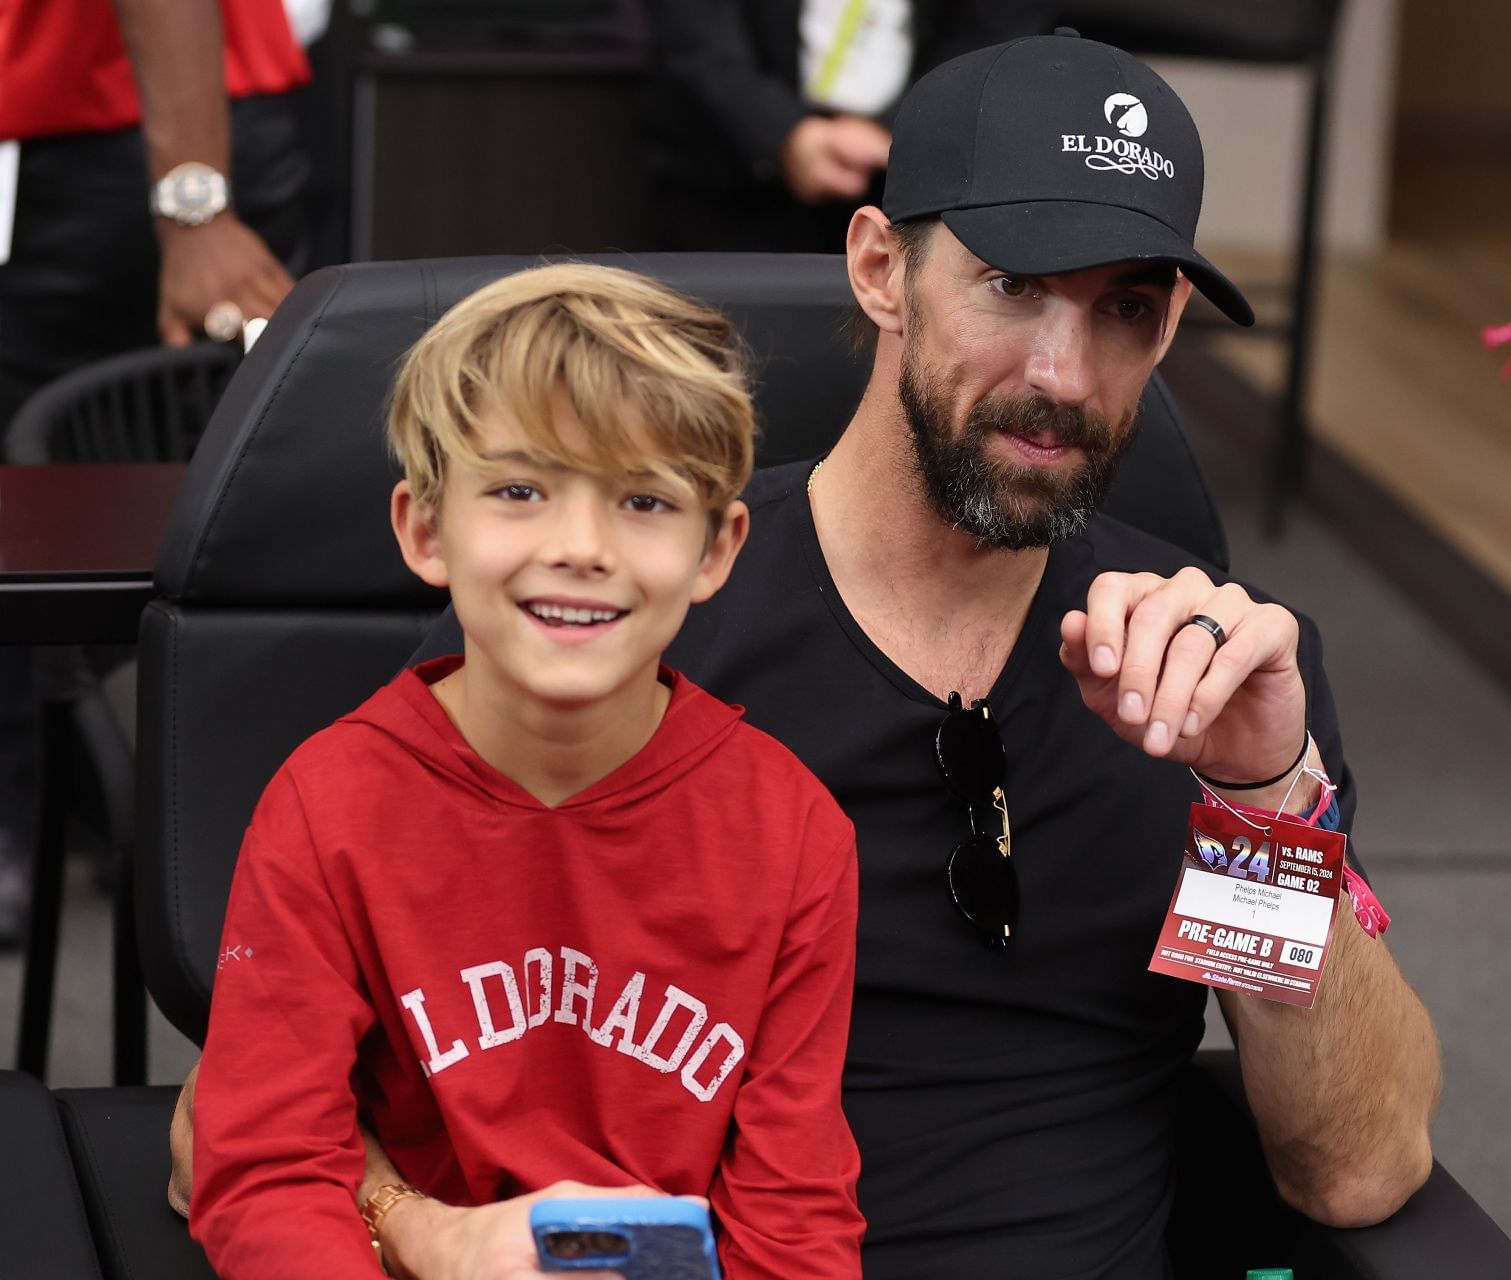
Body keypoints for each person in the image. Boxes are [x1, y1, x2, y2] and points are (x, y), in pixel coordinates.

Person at [173, 32, 1442, 1278]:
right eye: (1012, 286)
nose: (1063, 370)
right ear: (881, 266)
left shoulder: (1217, 670)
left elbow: (1352, 1168)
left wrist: (1263, 800)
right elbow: (232, 1130)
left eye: (1125, 309)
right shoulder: (624, 602)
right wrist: (424, 1226)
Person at [187, 264, 865, 1278]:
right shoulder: (326, 806)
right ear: (425, 528)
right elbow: (269, 1169)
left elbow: (795, 1221)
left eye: (644, 498)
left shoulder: (795, 833)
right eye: (518, 490)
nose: (580, 546)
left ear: (717, 549)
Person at [0, 0, 311, 943]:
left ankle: (192, 835)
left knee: (81, 506)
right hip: (170, 130)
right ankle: (134, 818)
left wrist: (194, 201)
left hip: (126, 141)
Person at [644, 0, 1046, 252]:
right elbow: (694, 29)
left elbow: (999, 29)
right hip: (731, 175)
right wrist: (783, 134)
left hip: (920, 183)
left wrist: (900, 127)